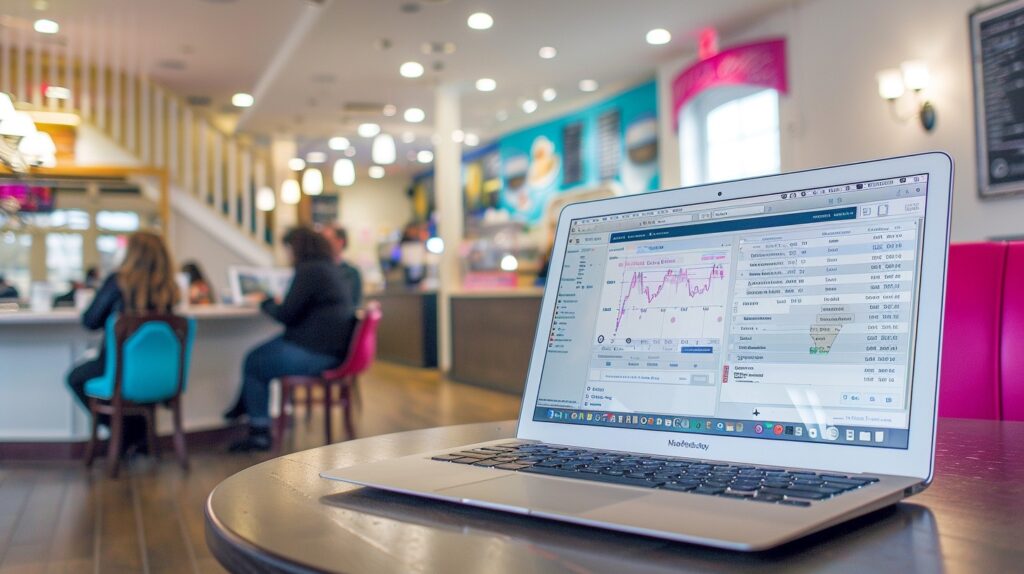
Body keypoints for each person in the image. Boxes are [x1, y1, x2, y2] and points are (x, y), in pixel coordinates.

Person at [227, 227, 357, 452]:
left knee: (254, 362)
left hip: (318, 354)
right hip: (329, 350)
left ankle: (258, 431)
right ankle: (244, 407)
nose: (287, 254)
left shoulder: (309, 270)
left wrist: (263, 301)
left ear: (296, 248)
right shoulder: (328, 269)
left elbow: (286, 314)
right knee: (258, 356)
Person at [65, 232, 180, 450]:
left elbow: (90, 321)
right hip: (161, 374)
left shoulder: (118, 282)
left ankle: (124, 432)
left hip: (118, 369)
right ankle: (135, 432)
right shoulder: (169, 289)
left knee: (75, 378)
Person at [320, 224, 363, 307]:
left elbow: (355, 306)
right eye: (321, 241)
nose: (322, 245)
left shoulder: (352, 273)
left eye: (327, 240)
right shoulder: (315, 272)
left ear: (340, 242)